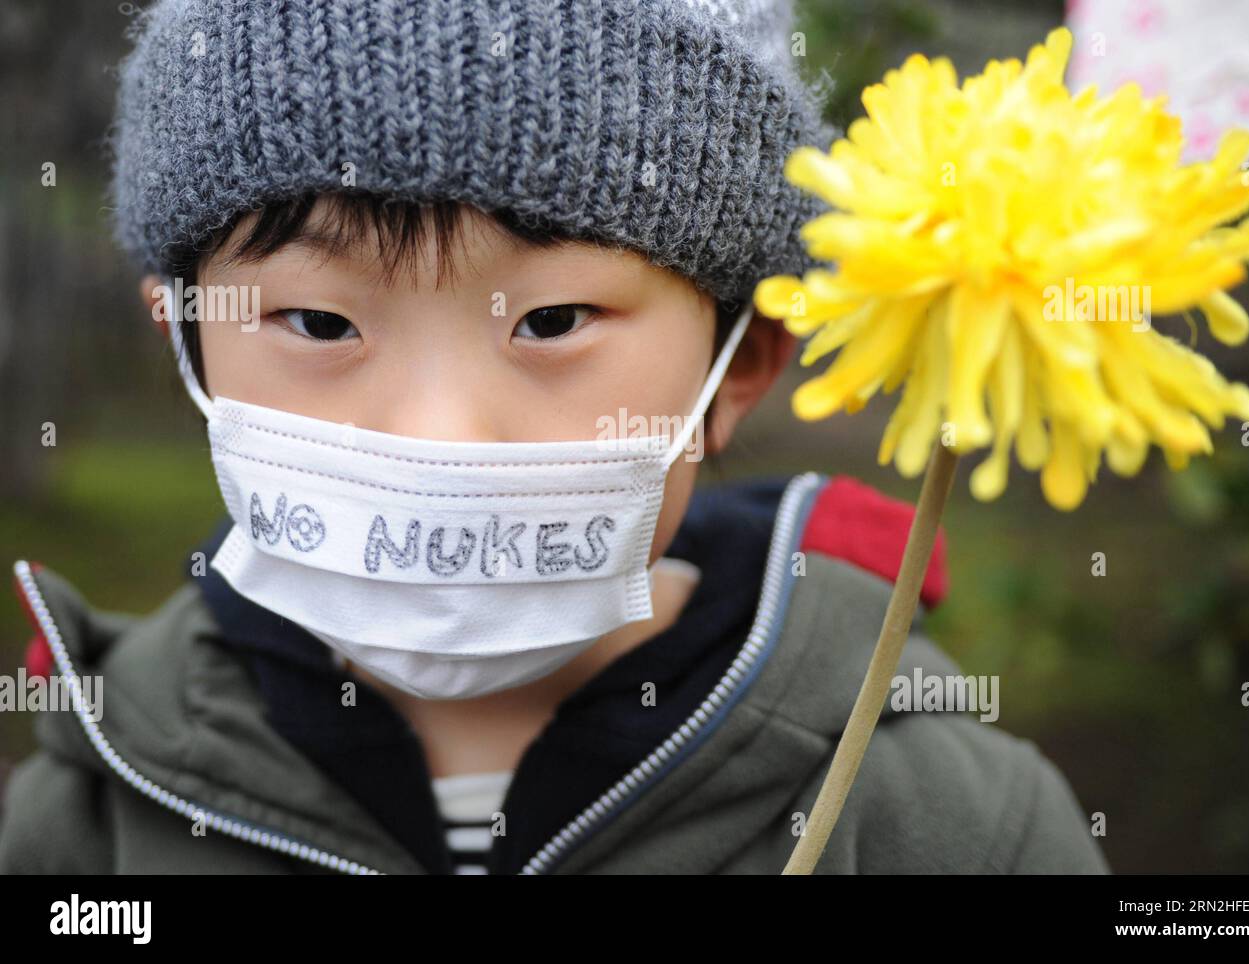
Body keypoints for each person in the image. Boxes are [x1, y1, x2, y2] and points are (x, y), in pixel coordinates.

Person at [0, 0, 1109, 875]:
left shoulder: (952, 821)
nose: (441, 438)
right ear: (189, 342)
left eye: (552, 322)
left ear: (745, 364)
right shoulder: (89, 818)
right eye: (321, 322)